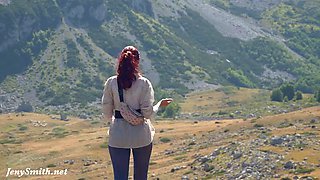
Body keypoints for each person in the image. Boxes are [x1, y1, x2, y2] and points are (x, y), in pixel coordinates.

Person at [101, 46, 172, 180]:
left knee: (120, 177)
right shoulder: (144, 83)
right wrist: (159, 105)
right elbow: (147, 113)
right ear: (137, 62)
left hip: (118, 136)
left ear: (120, 61)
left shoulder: (111, 82)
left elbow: (106, 112)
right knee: (141, 176)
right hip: (141, 136)